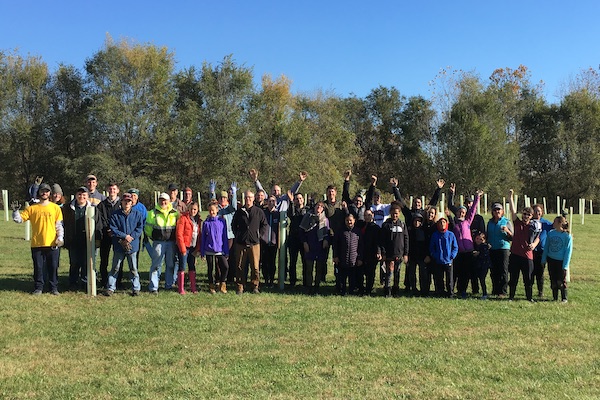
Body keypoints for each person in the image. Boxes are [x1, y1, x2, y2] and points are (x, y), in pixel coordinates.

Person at [12, 183, 64, 295]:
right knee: (38, 267)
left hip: (52, 243)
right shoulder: (32, 208)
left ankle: (53, 288)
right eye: (42, 191)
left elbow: (59, 225)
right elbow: (19, 220)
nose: (44, 193)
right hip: (37, 243)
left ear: (49, 193)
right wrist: (15, 211)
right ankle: (38, 287)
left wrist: (60, 238)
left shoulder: (55, 208)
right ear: (39, 193)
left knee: (53, 267)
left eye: (46, 191)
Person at [105, 193, 145, 296]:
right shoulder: (115, 214)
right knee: (115, 267)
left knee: (133, 268)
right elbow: (113, 228)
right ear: (121, 202)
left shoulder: (137, 214)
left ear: (132, 203)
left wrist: (130, 237)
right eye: (125, 201)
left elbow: (140, 228)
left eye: (129, 201)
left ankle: (136, 288)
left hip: (132, 245)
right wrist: (124, 236)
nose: (127, 203)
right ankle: (111, 288)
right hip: (119, 244)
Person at [448, 185, 482, 298]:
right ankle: (452, 290)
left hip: (468, 251)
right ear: (456, 213)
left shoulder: (467, 222)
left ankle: (462, 290)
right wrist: (451, 194)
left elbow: (473, 210)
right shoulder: (453, 224)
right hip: (458, 252)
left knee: (466, 273)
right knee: (456, 272)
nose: (461, 213)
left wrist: (477, 197)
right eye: (459, 212)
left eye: (463, 212)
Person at [232, 190, 268, 295]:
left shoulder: (258, 211)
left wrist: (259, 235)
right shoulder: (239, 212)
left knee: (255, 266)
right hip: (241, 243)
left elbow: (264, 224)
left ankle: (255, 286)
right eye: (246, 197)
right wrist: (238, 235)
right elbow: (233, 225)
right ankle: (240, 287)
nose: (248, 199)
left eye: (250, 198)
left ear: (253, 199)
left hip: (254, 243)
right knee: (239, 266)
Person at [507, 189, 540, 302]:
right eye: (524, 214)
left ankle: (529, 297)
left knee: (528, 278)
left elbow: (538, 238)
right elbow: (512, 211)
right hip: (515, 254)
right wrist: (511, 197)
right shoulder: (517, 223)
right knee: (513, 278)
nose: (526, 216)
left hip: (527, 256)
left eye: (528, 215)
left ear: (531, 216)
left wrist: (534, 245)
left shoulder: (533, 226)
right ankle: (511, 296)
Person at [62, 186, 97, 289]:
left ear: (88, 196)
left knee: (86, 262)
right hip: (73, 239)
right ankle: (73, 282)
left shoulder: (93, 208)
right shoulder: (68, 208)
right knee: (74, 262)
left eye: (84, 195)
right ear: (76, 195)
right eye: (79, 194)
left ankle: (85, 282)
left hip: (87, 240)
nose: (82, 197)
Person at [145, 192, 179, 294]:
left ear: (169, 201)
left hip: (171, 242)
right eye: (161, 200)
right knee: (156, 265)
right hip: (158, 242)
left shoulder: (175, 213)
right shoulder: (152, 213)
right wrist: (154, 238)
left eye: (165, 200)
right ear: (158, 201)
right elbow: (148, 229)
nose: (163, 202)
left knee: (170, 265)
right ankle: (154, 287)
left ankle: (168, 285)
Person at [378, 202, 409, 297]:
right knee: (389, 272)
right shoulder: (385, 225)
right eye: (393, 213)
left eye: (396, 213)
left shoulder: (402, 225)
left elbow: (406, 238)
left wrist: (406, 254)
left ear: (399, 213)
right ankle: (387, 290)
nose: (395, 215)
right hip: (389, 254)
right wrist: (383, 253)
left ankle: (396, 290)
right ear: (390, 213)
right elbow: (382, 240)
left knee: (397, 272)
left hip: (399, 253)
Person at [300, 201, 330, 294]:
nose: (319, 208)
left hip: (320, 247)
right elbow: (301, 232)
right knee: (309, 268)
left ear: (323, 209)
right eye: (318, 206)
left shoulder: (325, 220)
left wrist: (326, 240)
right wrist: (304, 243)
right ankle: (309, 286)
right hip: (310, 245)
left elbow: (327, 232)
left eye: (321, 206)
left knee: (319, 268)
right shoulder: (307, 217)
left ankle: (317, 286)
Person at [541, 216, 573, 302]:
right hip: (551, 260)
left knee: (561, 280)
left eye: (555, 222)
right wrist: (543, 259)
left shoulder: (567, 236)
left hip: (561, 261)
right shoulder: (551, 233)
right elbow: (546, 247)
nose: (553, 223)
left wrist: (565, 265)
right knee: (553, 279)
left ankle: (564, 298)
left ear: (560, 223)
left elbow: (568, 251)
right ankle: (554, 297)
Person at [201, 202, 230, 294]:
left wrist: (226, 250)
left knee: (225, 267)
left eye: (213, 210)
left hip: (220, 249)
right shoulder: (206, 223)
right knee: (210, 268)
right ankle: (211, 285)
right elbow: (203, 238)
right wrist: (202, 252)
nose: (211, 212)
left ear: (217, 210)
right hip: (209, 249)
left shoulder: (222, 221)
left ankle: (222, 283)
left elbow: (224, 236)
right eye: (210, 210)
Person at [97, 182, 121, 288]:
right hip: (105, 235)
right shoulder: (101, 204)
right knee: (104, 259)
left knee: (118, 259)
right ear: (107, 190)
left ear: (118, 190)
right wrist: (108, 229)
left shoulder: (122, 203)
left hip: (118, 235)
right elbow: (100, 219)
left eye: (114, 189)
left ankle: (118, 282)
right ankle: (104, 280)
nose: (112, 191)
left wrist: (115, 230)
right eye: (110, 189)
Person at [175, 201, 202, 294]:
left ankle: (193, 287)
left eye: (195, 209)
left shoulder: (198, 220)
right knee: (182, 266)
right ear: (188, 209)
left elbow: (199, 235)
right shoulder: (183, 218)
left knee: (192, 266)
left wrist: (198, 248)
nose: (193, 211)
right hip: (185, 247)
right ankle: (181, 288)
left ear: (197, 210)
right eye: (191, 209)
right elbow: (179, 234)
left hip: (193, 247)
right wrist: (182, 249)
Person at [332, 214, 363, 295]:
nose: (349, 222)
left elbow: (361, 246)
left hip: (354, 259)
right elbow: (335, 245)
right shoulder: (340, 231)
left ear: (354, 221)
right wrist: (335, 256)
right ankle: (341, 291)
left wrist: (360, 258)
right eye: (347, 220)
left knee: (352, 277)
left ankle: (351, 291)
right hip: (342, 259)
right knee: (341, 277)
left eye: (350, 220)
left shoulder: (358, 231)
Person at [487, 202, 512, 298]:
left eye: (499, 209)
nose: (497, 211)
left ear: (502, 211)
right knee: (493, 270)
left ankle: (503, 291)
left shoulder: (506, 221)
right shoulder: (490, 222)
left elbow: (513, 237)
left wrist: (507, 231)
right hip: (492, 248)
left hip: (503, 248)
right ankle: (495, 289)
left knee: (503, 270)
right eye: (495, 210)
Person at [429, 216, 458, 298]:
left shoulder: (451, 234)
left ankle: (450, 293)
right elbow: (432, 247)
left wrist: (452, 256)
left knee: (449, 279)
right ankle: (440, 292)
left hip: (448, 261)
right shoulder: (435, 235)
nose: (442, 224)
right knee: (439, 278)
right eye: (440, 223)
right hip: (438, 260)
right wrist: (435, 255)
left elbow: (455, 247)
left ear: (446, 224)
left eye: (444, 222)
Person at [531, 204, 554, 298]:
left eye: (539, 211)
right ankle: (529, 290)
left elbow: (556, 226)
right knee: (531, 272)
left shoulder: (546, 223)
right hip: (530, 251)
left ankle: (540, 291)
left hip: (542, 251)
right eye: (535, 211)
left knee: (540, 272)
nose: (537, 213)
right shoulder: (530, 222)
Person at [288, 192, 309, 287]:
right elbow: (291, 215)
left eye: (300, 198)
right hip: (293, 239)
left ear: (303, 199)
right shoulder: (292, 209)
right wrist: (292, 203)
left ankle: (305, 281)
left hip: (304, 239)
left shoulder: (307, 210)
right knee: (293, 261)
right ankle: (292, 281)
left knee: (305, 261)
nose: (299, 200)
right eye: (297, 199)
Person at [360, 209, 381, 296]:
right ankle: (361, 289)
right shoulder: (361, 225)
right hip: (362, 252)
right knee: (361, 272)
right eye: (365, 215)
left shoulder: (376, 228)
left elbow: (379, 242)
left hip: (372, 253)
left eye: (369, 215)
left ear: (372, 215)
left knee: (370, 273)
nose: (367, 217)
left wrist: (379, 252)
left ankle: (368, 290)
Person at [261, 195, 280, 287]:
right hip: (264, 242)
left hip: (273, 243)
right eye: (269, 201)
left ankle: (272, 280)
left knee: (272, 262)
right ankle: (265, 280)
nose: (271, 203)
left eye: (273, 201)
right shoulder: (263, 213)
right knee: (264, 262)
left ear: (275, 203)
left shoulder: (278, 214)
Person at [407, 212, 428, 296]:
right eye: (415, 221)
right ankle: (414, 289)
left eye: (419, 221)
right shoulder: (409, 231)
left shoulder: (424, 231)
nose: (417, 223)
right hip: (412, 255)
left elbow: (427, 243)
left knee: (423, 273)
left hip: (422, 255)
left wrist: (427, 254)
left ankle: (423, 289)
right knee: (412, 273)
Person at [473, 231, 492, 299]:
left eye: (481, 239)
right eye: (477, 238)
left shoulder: (485, 246)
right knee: (475, 278)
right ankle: (475, 291)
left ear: (484, 240)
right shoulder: (474, 246)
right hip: (477, 265)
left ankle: (485, 293)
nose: (479, 240)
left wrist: (479, 253)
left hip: (484, 265)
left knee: (482, 279)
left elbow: (484, 254)